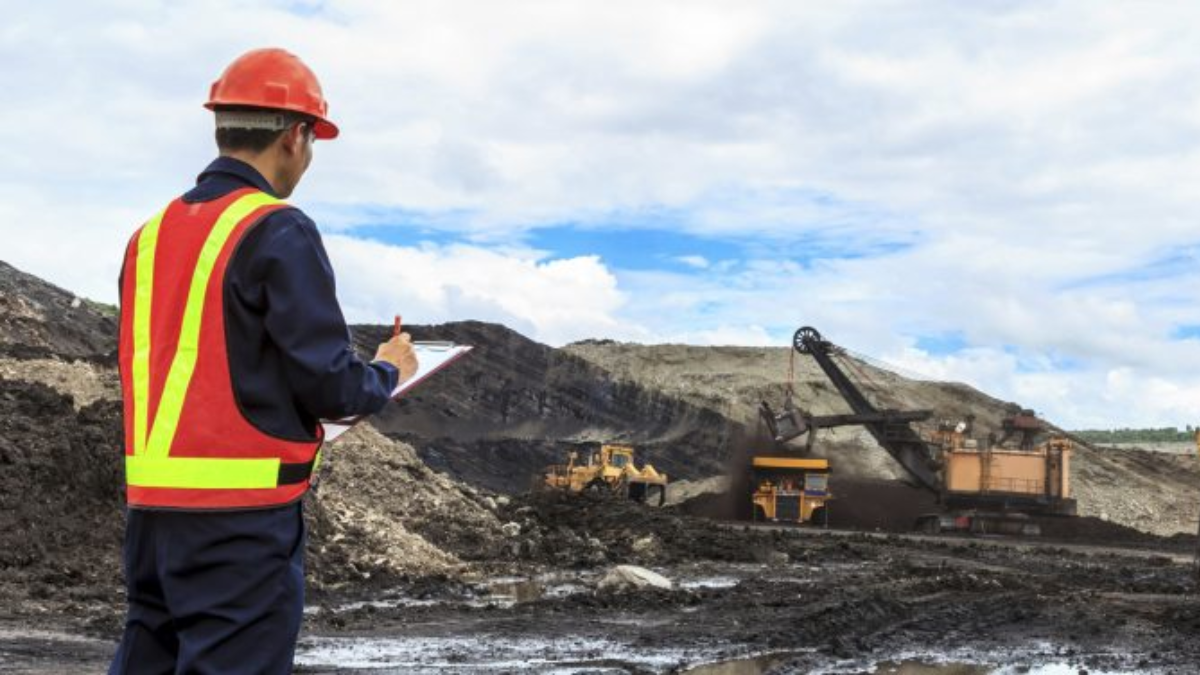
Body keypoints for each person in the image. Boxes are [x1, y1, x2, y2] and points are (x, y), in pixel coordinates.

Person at [109, 48, 418, 674]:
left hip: (151, 517)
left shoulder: (150, 235)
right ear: (296, 137)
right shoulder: (279, 229)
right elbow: (333, 386)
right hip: (240, 523)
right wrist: (389, 370)